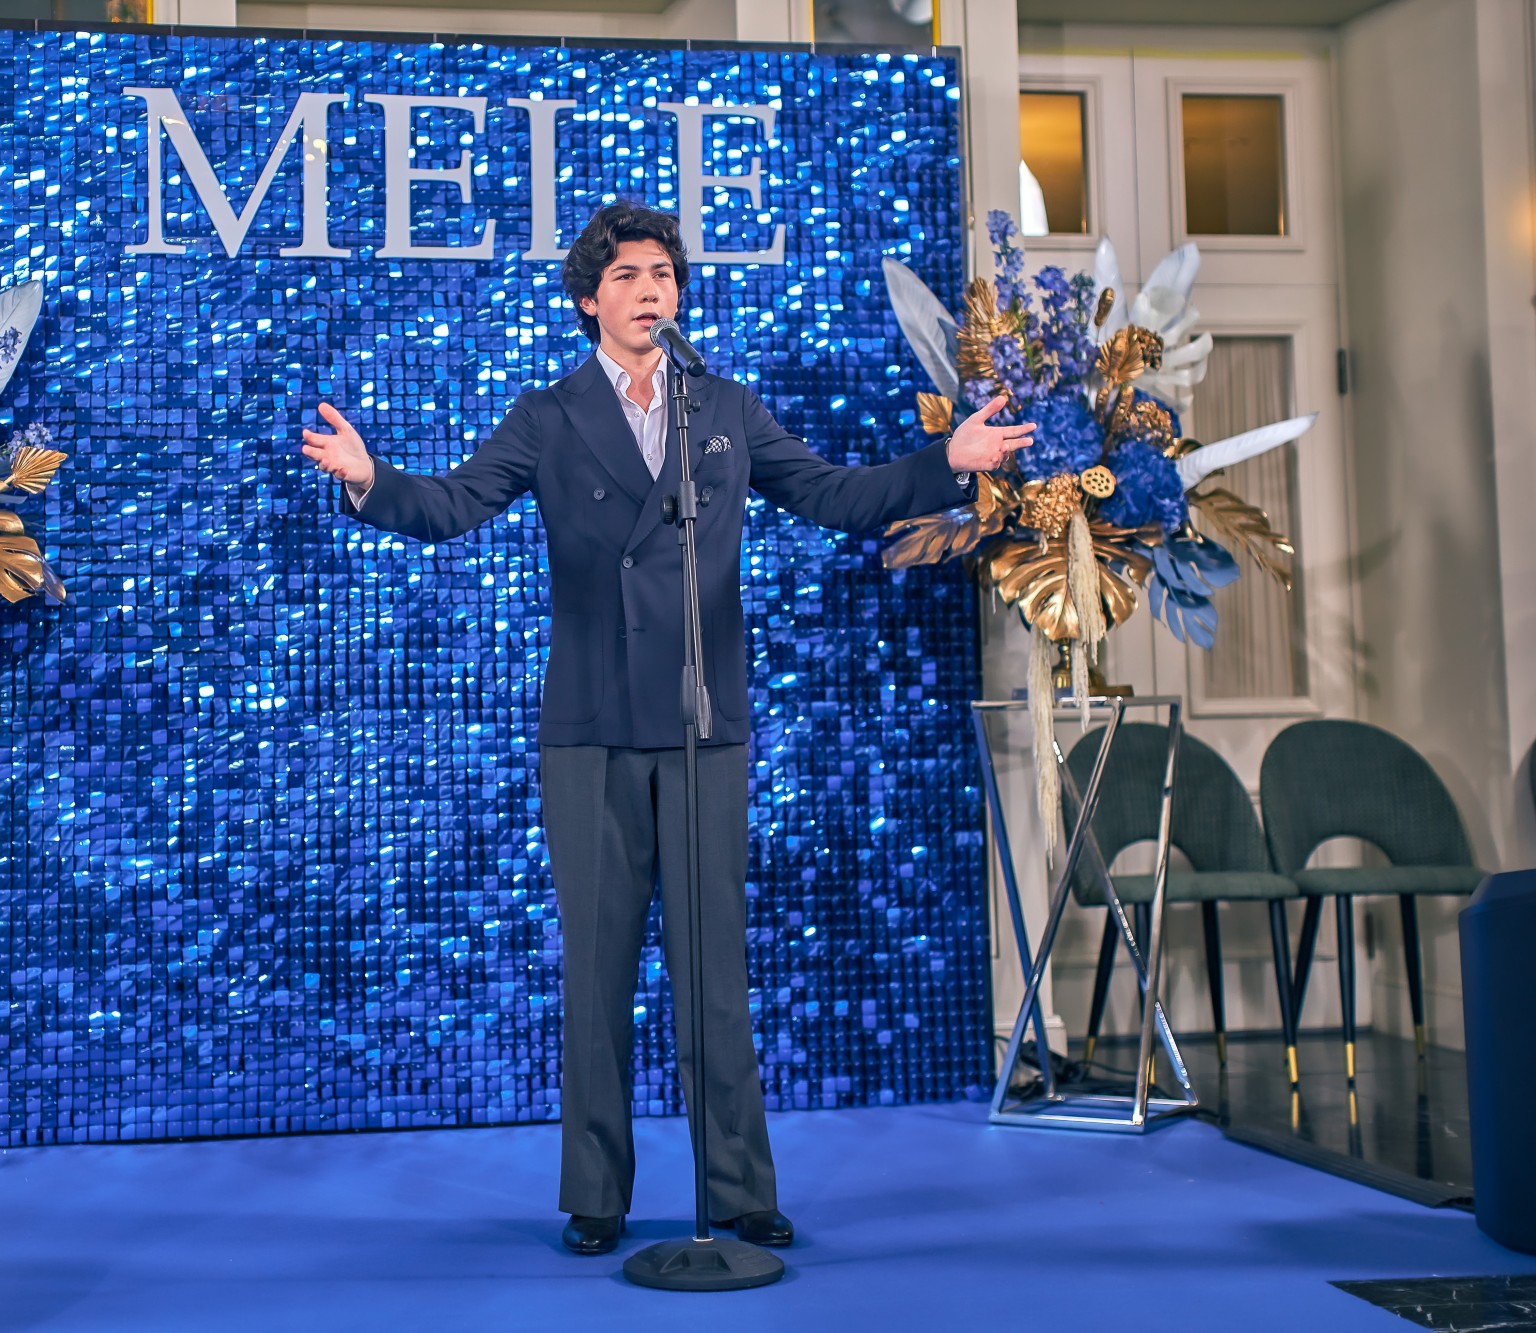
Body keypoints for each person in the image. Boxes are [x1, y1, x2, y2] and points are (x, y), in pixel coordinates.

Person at [300, 202, 1033, 1256]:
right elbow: (455, 503)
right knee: (597, 970)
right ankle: (596, 1194)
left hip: (703, 721)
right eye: (628, 276)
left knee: (713, 969)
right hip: (591, 728)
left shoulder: (722, 407)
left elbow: (834, 495)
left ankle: (737, 1187)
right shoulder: (548, 416)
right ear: (588, 300)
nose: (651, 291)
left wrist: (945, 462)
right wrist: (372, 481)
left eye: (663, 274)